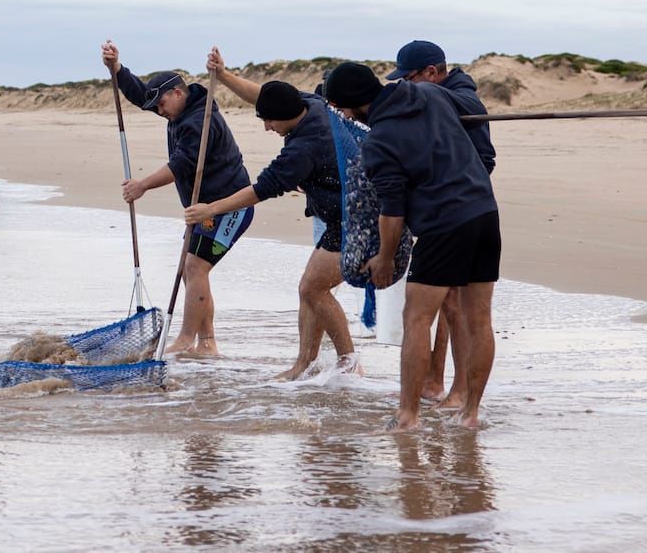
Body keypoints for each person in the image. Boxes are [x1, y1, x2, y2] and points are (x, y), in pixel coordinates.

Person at [324, 61, 500, 431]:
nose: (342, 114)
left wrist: (385, 259)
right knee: (479, 318)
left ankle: (408, 416)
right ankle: (470, 414)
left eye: (340, 107)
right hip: (485, 212)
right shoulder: (431, 93)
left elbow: (393, 211)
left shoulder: (380, 141)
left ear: (352, 103)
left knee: (416, 319)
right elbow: (472, 110)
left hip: (443, 225)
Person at [185, 46, 356, 379]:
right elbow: (262, 95)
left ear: (284, 116)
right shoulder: (311, 104)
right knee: (310, 288)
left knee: (312, 289)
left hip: (356, 219)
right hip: (340, 215)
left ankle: (348, 364)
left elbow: (261, 190)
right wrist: (223, 75)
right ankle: (304, 364)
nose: (266, 127)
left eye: (268, 121)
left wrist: (211, 208)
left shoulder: (303, 146)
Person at [103, 40, 250, 357]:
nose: (158, 111)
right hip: (203, 210)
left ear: (178, 93)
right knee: (192, 269)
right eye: (156, 108)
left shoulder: (200, 121)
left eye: (161, 105)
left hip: (232, 206)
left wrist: (142, 185)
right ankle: (207, 343)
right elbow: (142, 96)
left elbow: (183, 163)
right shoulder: (177, 112)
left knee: (195, 267)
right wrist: (116, 69)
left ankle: (185, 340)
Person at [389, 40, 494, 408]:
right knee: (444, 303)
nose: (406, 86)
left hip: (461, 209)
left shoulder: (462, 92)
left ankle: (460, 391)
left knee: (457, 306)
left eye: (410, 78)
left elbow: (485, 155)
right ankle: (434, 380)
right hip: (441, 209)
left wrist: (451, 185)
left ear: (431, 73)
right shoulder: (433, 93)